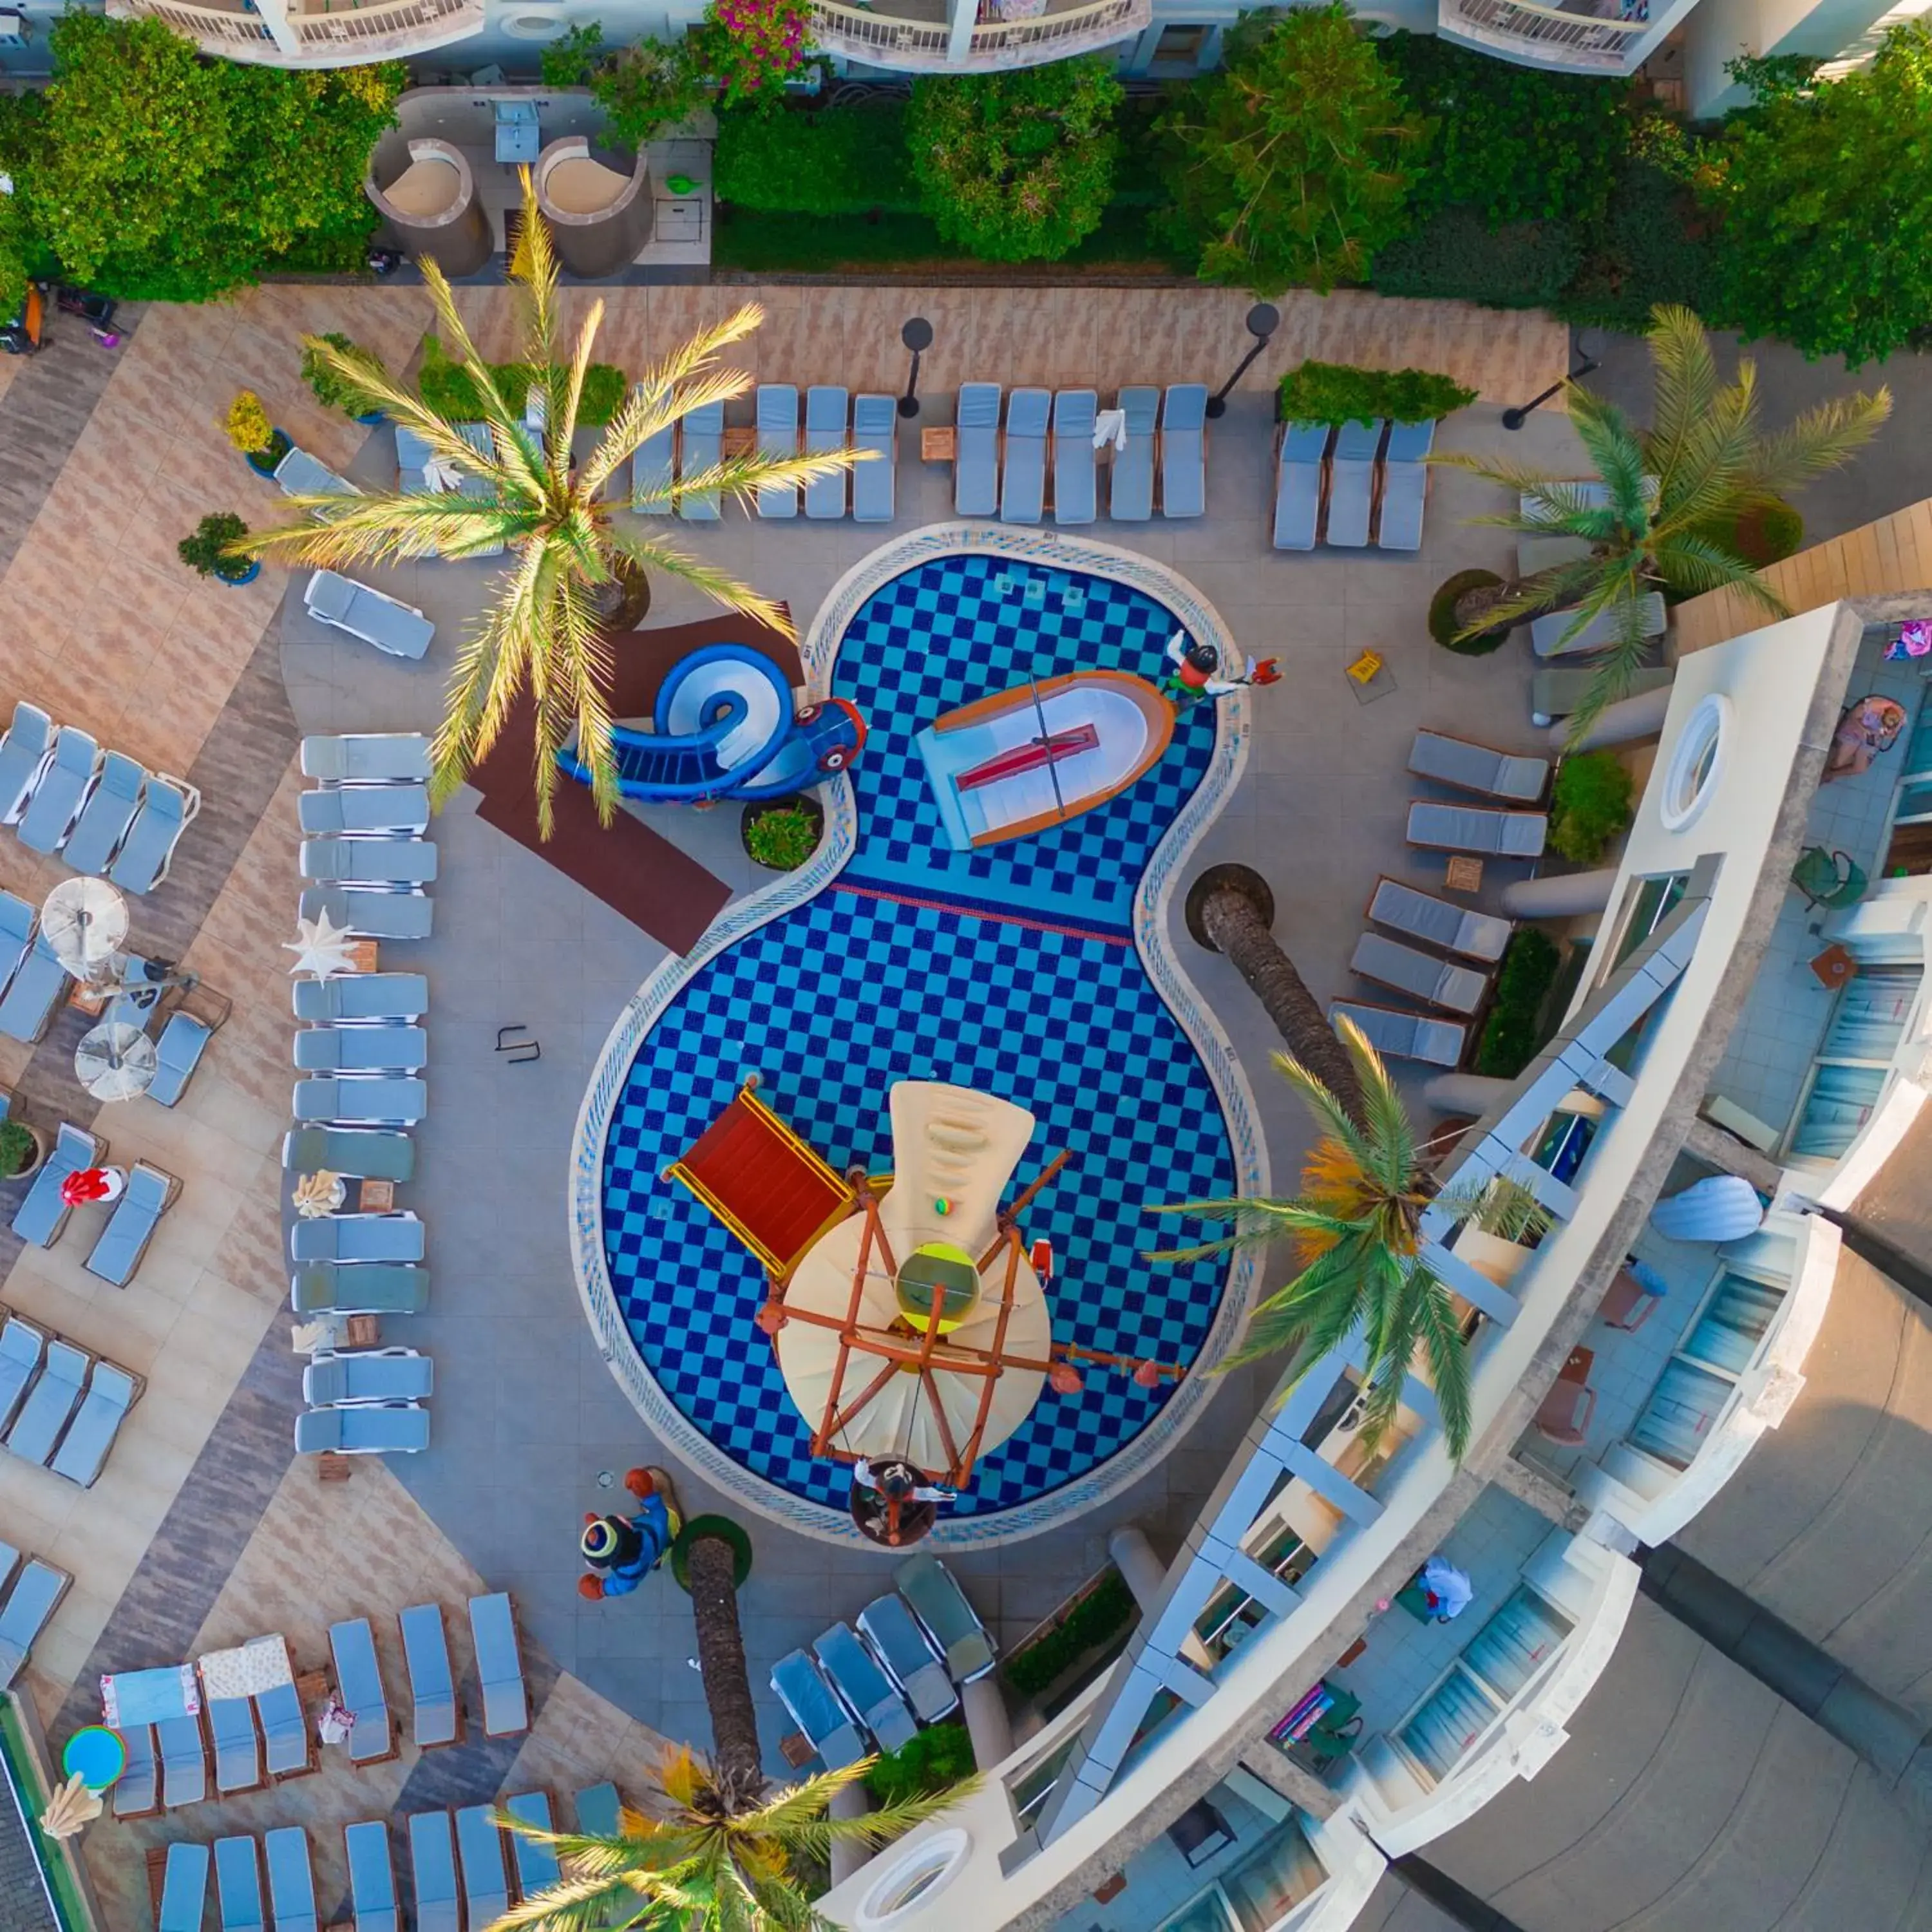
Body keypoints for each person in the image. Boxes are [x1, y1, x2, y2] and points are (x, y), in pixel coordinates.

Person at [1157, 632, 1280, 710]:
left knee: (1172, 683)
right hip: (1195, 688)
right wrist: (1236, 686)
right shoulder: (1204, 679)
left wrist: (1180, 634)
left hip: (1180, 681)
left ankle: (1163, 691)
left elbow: (1172, 650)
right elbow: (1217, 688)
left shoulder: (1185, 663)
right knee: (1200, 695)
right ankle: (1189, 697)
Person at [1824, 694, 1907, 782]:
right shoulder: (1870, 706)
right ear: (1881, 713)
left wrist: (1886, 734)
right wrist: (1863, 729)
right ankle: (1829, 770)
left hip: (1870, 738)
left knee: (1860, 768)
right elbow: (1852, 717)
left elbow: (1893, 734)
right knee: (1838, 763)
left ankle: (1832, 774)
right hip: (1855, 730)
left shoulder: (1900, 718)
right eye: (1882, 723)